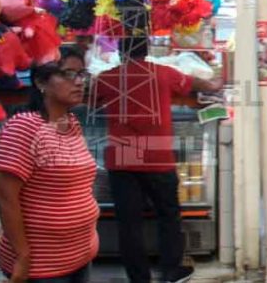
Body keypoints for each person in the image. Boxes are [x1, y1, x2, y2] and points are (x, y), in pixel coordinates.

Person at [91, 35, 222, 283]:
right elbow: (197, 84)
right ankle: (170, 271)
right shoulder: (163, 73)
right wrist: (215, 83)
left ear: (121, 53)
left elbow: (88, 95)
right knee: (168, 215)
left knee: (129, 224)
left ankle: (138, 278)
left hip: (123, 158)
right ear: (147, 50)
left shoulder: (108, 78)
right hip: (157, 157)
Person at [0, 57, 99, 282]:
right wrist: (22, 256)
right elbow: (5, 196)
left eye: (82, 74)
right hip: (42, 266)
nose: (80, 82)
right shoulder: (24, 126)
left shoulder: (71, 122)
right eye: (69, 74)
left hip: (81, 255)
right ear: (41, 82)